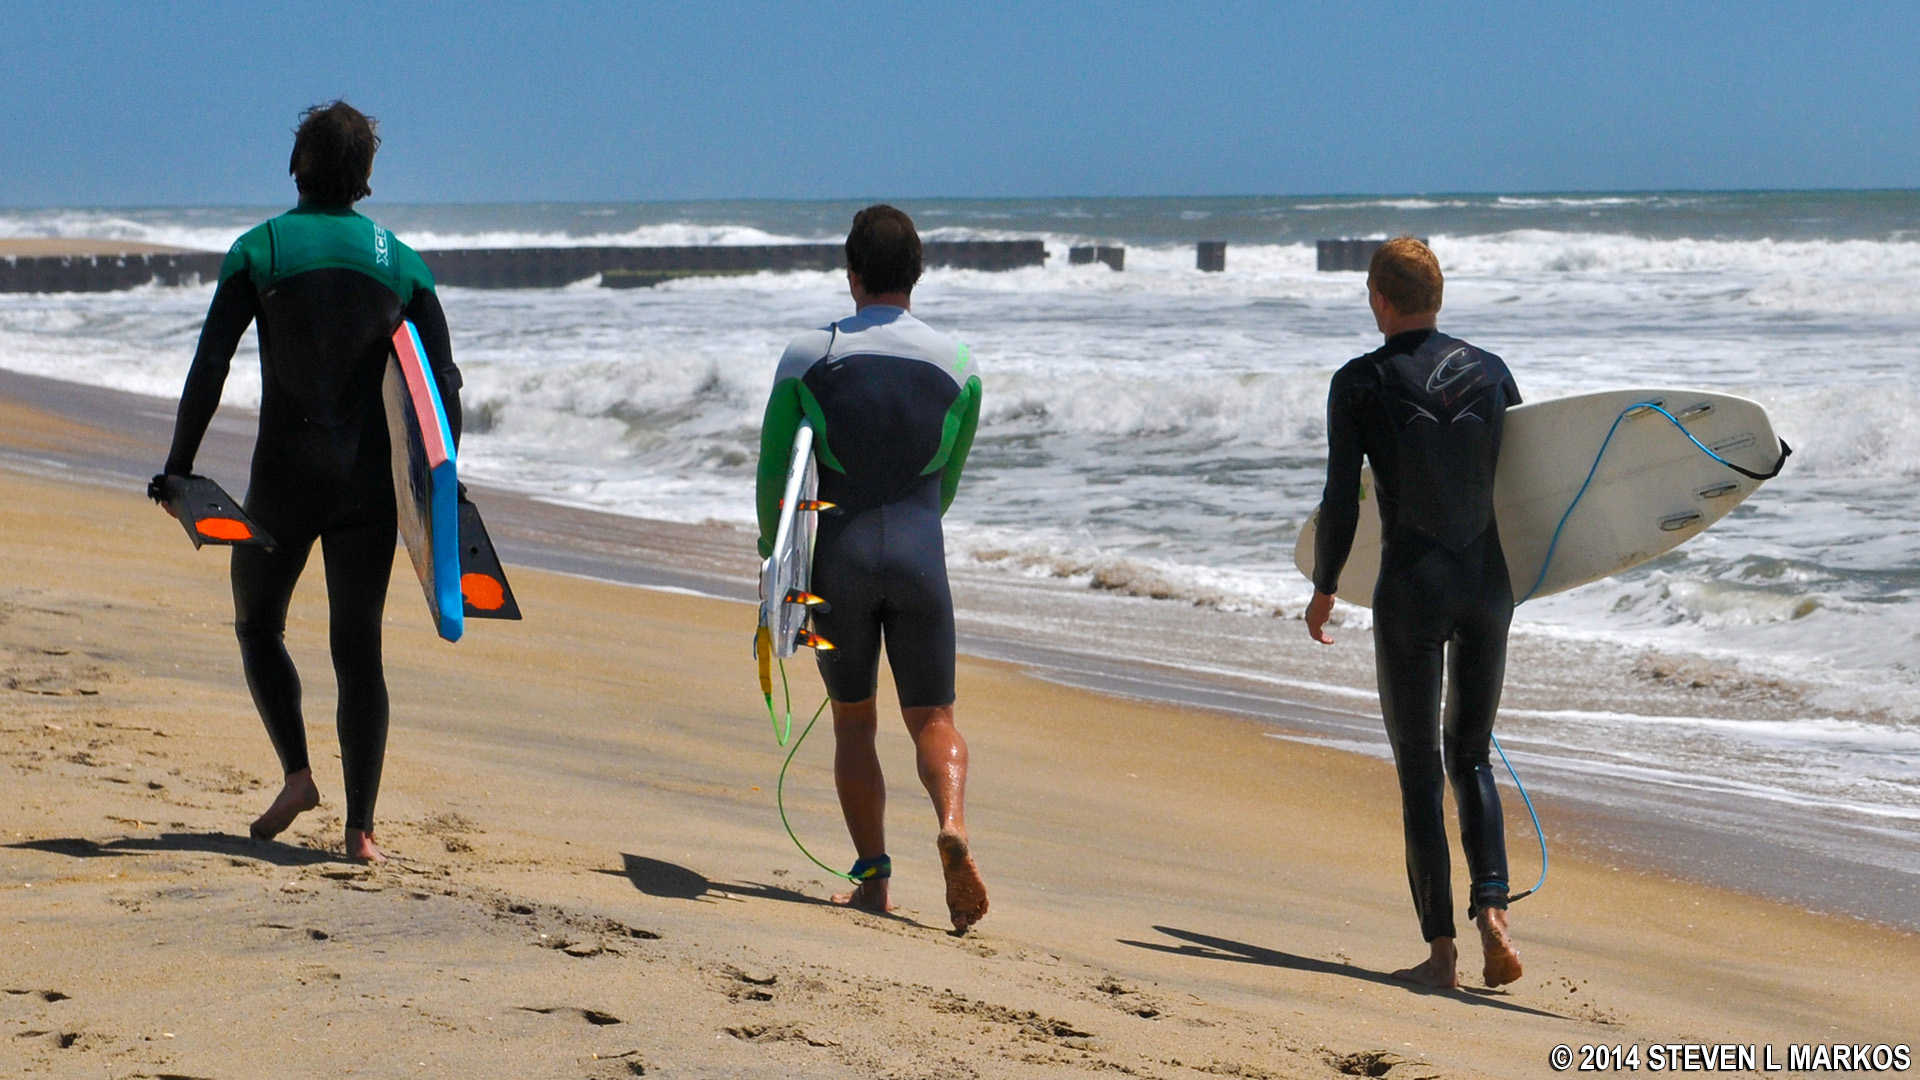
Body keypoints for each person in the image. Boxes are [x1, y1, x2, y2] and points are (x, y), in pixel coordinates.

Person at [152, 101, 461, 863]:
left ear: (297, 166)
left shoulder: (260, 251)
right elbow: (443, 386)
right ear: (366, 177)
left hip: (284, 481)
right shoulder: (403, 262)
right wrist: (444, 496)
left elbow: (210, 367)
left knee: (259, 626)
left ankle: (296, 774)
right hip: (368, 488)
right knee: (359, 650)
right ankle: (361, 830)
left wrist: (181, 466)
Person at [755, 205, 988, 931]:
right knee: (935, 718)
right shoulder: (960, 364)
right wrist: (914, 531)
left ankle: (873, 879)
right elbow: (946, 478)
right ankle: (951, 820)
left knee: (854, 724)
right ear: (917, 274)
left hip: (840, 559)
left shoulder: (807, 355)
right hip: (922, 555)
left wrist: (776, 568)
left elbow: (775, 478)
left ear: (851, 274)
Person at [1304, 237, 1525, 988]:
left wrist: (1325, 583)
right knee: (1472, 754)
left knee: (1421, 773)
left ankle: (1440, 954)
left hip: (1414, 588)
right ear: (1438, 295)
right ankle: (1493, 909)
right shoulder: (1492, 372)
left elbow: (1342, 499)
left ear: (1377, 298)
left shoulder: (1359, 383)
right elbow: (1530, 482)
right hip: (1490, 585)